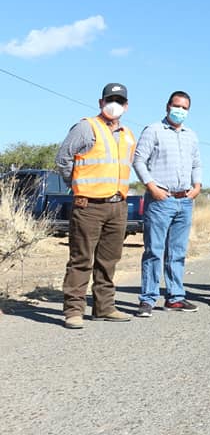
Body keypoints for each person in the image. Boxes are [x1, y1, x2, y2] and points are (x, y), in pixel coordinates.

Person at [55, 83, 136, 329]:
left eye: (119, 101)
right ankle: (74, 311)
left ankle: (104, 307)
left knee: (109, 260)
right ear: (100, 102)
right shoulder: (86, 127)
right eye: (110, 99)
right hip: (88, 205)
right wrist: (78, 185)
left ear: (126, 106)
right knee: (81, 260)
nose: (114, 104)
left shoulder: (128, 134)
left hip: (117, 205)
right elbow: (63, 159)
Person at [132, 90, 202, 317]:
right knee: (154, 251)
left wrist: (197, 186)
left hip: (185, 201)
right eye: (176, 106)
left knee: (178, 252)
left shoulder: (191, 135)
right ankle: (148, 299)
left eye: (184, 107)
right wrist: (151, 186)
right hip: (161, 200)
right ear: (167, 106)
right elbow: (138, 160)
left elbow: (196, 163)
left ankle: (175, 297)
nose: (180, 110)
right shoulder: (153, 130)